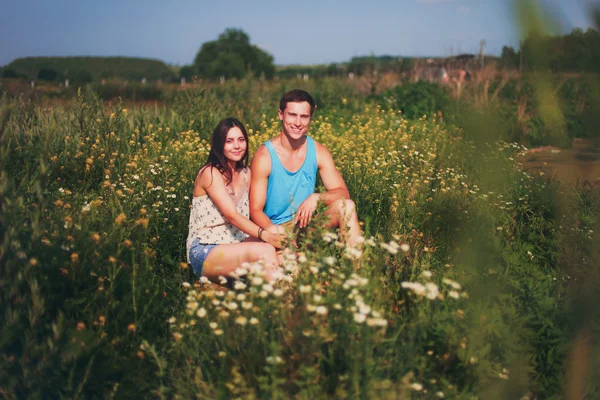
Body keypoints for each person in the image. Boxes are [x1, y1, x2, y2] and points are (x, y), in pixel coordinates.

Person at [249, 89, 361, 246]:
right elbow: (255, 210)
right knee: (292, 269)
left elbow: (343, 193)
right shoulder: (264, 156)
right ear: (281, 115)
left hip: (305, 225)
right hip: (275, 229)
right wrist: (275, 234)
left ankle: (356, 269)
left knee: (347, 206)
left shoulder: (318, 151)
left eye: (304, 117)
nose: (297, 123)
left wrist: (317, 197)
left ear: (310, 118)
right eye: (292, 115)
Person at [186, 117, 283, 284]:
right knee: (266, 249)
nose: (237, 146)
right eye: (229, 141)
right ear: (218, 144)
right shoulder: (209, 173)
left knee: (281, 237)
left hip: (236, 241)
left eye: (241, 140)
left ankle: (294, 296)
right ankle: (281, 305)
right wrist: (265, 235)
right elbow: (232, 215)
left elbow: (255, 210)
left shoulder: (246, 173)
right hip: (206, 248)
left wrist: (274, 233)